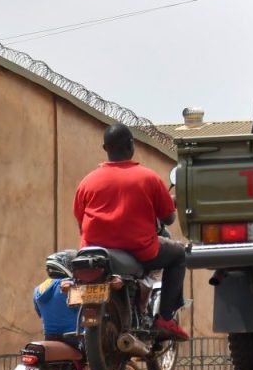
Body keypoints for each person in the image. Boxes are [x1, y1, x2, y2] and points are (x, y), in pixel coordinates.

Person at [73, 123, 190, 342]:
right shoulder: (148, 178)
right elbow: (168, 218)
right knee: (179, 254)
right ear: (131, 146)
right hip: (139, 251)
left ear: (105, 148)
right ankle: (165, 318)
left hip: (94, 252)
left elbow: (80, 221)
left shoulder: (86, 183)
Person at [33, 251, 79, 342]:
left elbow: (40, 314)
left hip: (50, 338)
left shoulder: (38, 289)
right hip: (75, 337)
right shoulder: (70, 285)